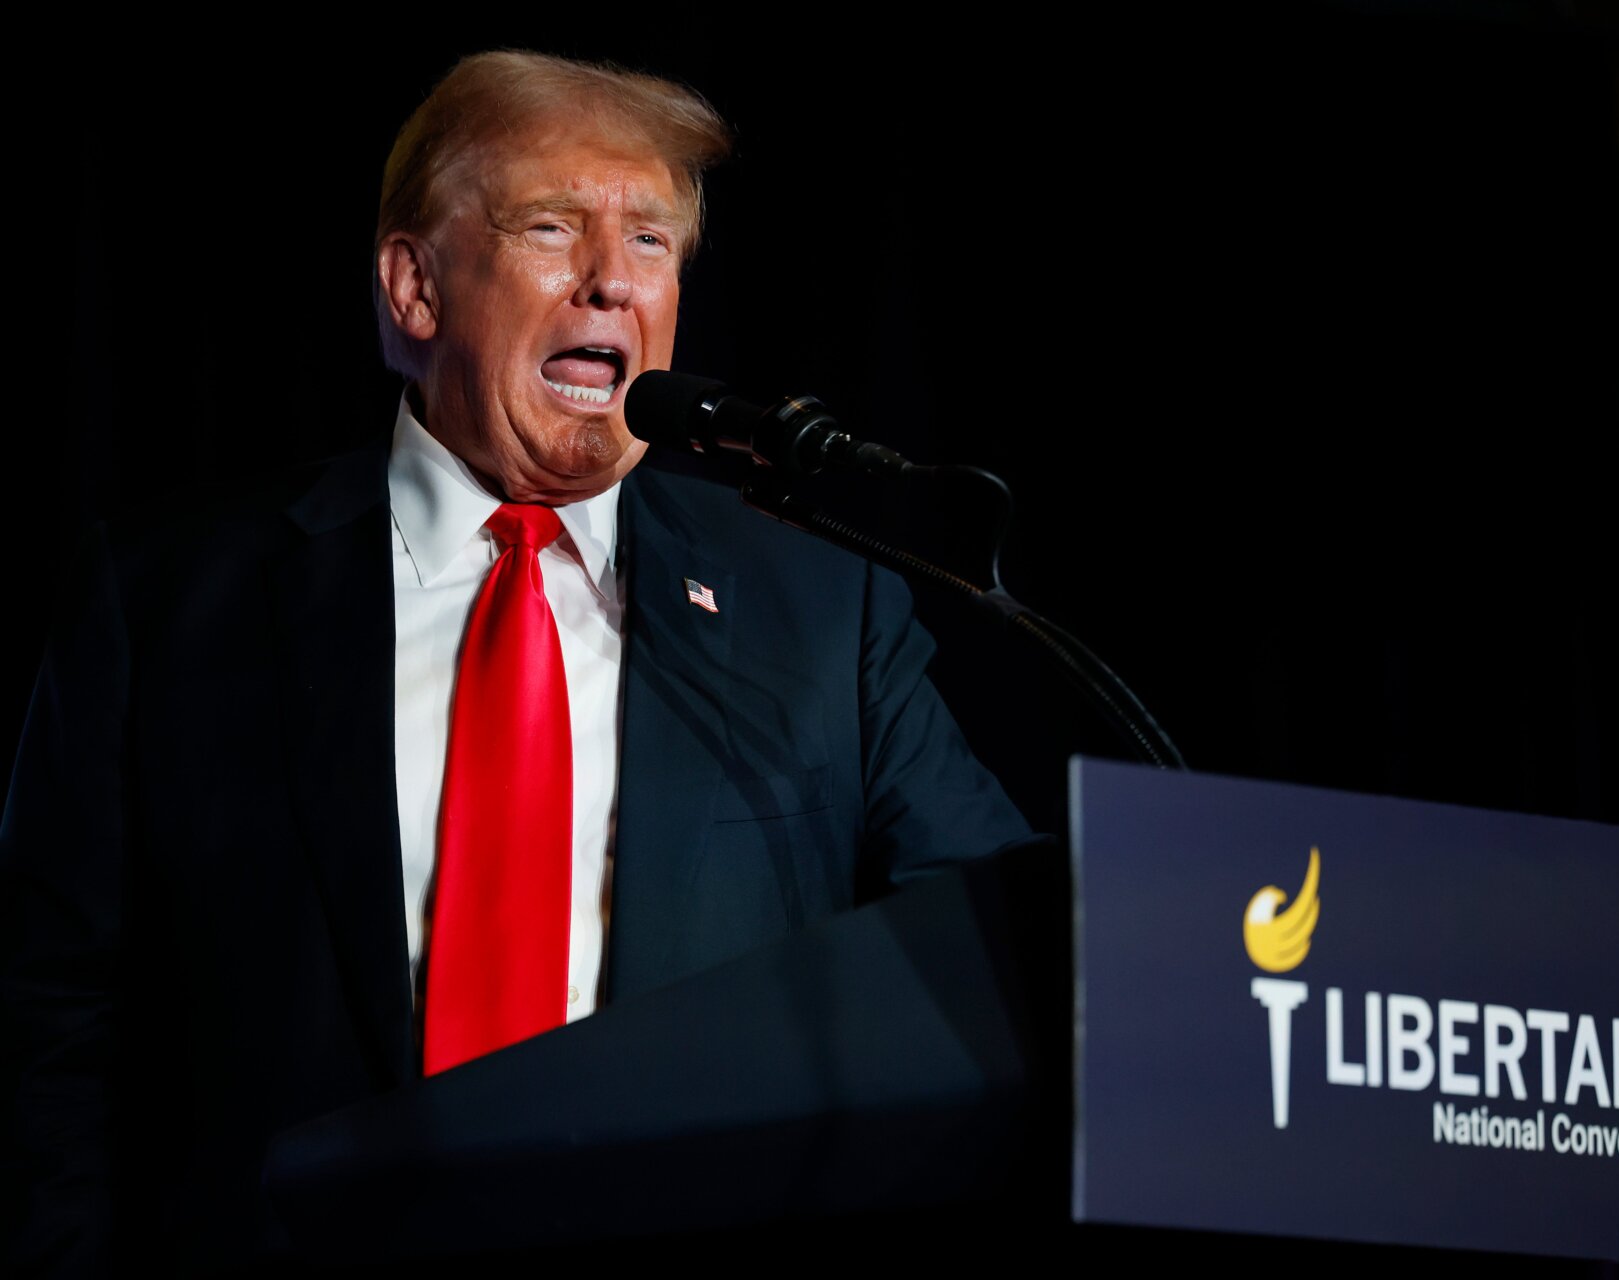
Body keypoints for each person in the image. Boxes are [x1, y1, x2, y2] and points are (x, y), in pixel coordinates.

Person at [1, 50, 1033, 1273]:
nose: (612, 282)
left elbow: (1001, 947)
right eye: (553, 226)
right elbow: (46, 1025)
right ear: (415, 285)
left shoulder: (818, 607)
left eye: (651, 242)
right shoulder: (173, 605)